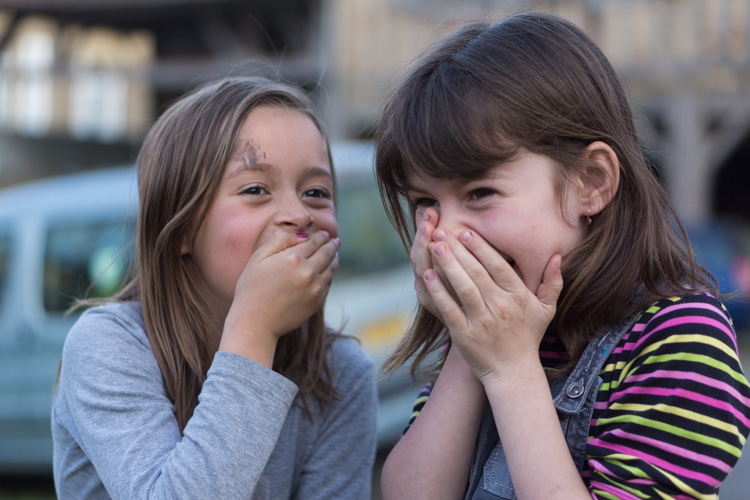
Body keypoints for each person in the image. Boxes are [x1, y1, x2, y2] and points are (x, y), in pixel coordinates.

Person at [374, 11, 750, 500]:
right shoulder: (489, 329)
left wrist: (511, 371)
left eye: (480, 192)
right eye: (426, 202)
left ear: (590, 183)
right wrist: (472, 353)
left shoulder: (680, 337)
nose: (444, 235)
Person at [52, 77, 378, 499]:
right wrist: (254, 329)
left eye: (316, 192)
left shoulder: (342, 373)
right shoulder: (107, 346)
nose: (299, 214)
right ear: (183, 228)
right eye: (256, 189)